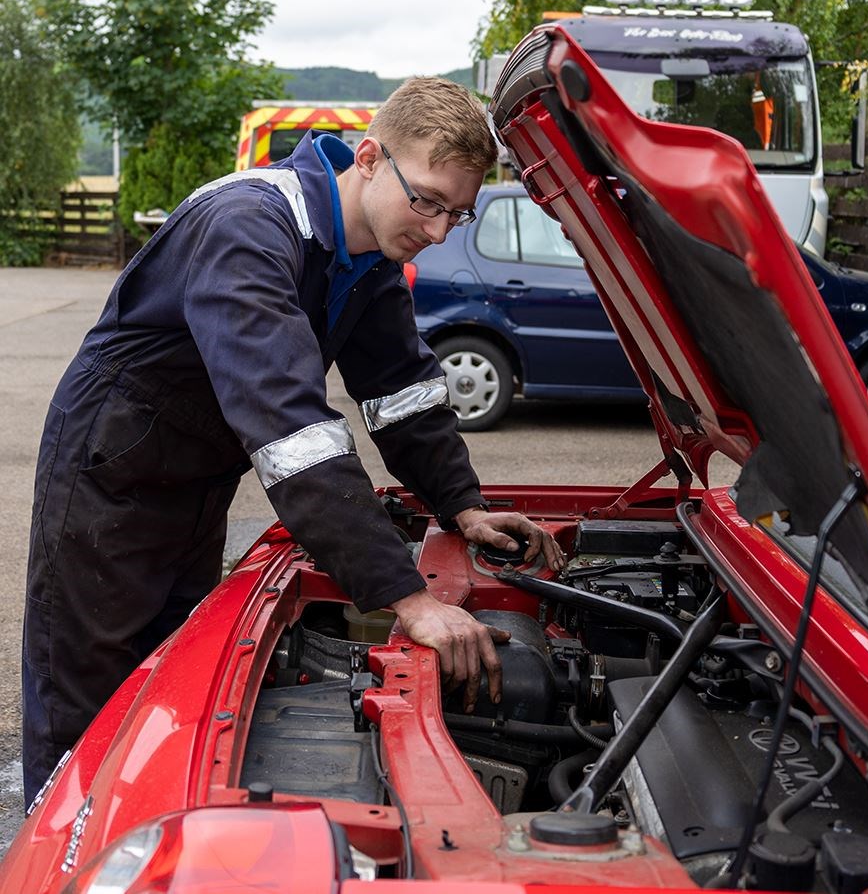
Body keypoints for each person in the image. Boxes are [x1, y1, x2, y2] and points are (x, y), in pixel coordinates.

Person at [22, 76, 565, 806]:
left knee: (166, 693)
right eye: (428, 200)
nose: (438, 232)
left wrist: (461, 506)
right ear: (369, 157)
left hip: (193, 479)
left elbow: (402, 395)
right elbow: (291, 429)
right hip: (107, 481)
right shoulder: (247, 227)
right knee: (86, 710)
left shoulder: (367, 257)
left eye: (458, 215)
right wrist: (407, 598)